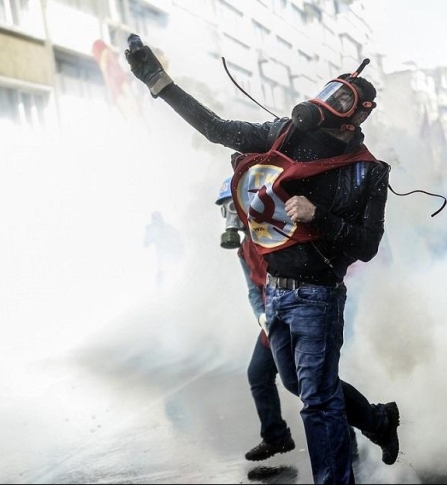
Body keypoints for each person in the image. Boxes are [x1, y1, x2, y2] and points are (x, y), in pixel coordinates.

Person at [127, 35, 399, 484]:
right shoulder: (285, 135)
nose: (329, 101)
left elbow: (366, 246)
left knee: (316, 401)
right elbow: (217, 129)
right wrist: (159, 82)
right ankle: (377, 421)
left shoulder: (369, 171)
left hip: (318, 296)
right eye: (331, 91)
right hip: (275, 292)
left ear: (359, 115)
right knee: (298, 385)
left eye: (343, 98)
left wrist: (320, 217)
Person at [217, 176, 364, 463]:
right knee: (260, 375)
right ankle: (276, 436)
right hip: (272, 322)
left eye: (233, 207)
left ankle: (353, 429)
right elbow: (252, 290)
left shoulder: (275, 236)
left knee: (313, 383)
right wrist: (262, 318)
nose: (231, 217)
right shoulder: (243, 250)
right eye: (226, 210)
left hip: (301, 312)